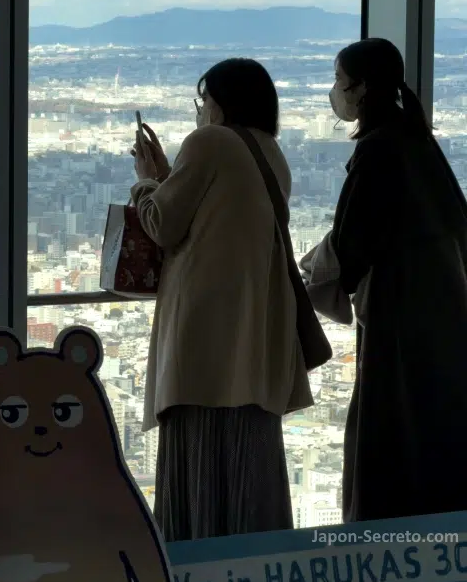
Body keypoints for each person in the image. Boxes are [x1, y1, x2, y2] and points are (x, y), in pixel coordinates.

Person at [131, 57, 312, 542]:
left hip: (203, 337)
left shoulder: (208, 141)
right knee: (247, 467)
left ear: (219, 102)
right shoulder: (270, 151)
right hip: (255, 334)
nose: (200, 111)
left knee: (198, 465)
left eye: (202, 100)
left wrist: (147, 178)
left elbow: (163, 225)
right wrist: (174, 177)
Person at [321, 37, 467, 522]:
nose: (337, 92)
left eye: (342, 82)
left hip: (399, 316)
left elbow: (351, 245)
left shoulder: (378, 149)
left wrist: (312, 275)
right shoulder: (417, 139)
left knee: (390, 431)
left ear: (363, 89)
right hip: (442, 311)